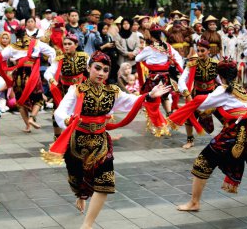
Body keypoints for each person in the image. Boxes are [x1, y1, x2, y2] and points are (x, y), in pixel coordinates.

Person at [43, 51, 170, 229]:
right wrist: (67, 121)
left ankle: (87, 225)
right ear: (88, 68)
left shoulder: (113, 92)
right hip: (78, 141)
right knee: (77, 179)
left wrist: (149, 96)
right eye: (97, 68)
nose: (101, 73)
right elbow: (60, 112)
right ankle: (81, 194)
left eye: (105, 70)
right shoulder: (77, 89)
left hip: (101, 141)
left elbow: (132, 101)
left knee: (105, 182)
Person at [168, 59, 247, 211]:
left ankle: (194, 203)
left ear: (220, 75)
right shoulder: (241, 88)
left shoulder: (223, 90)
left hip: (236, 132)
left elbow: (203, 104)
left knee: (203, 161)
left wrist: (189, 100)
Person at [0, 27, 56, 133]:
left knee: (20, 102)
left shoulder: (12, 47)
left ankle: (27, 126)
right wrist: (51, 65)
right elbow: (52, 51)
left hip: (18, 76)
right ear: (26, 33)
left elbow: (0, 57)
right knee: (38, 99)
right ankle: (32, 118)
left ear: (16, 36)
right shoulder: (36, 43)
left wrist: (7, 65)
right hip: (32, 75)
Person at [135, 24, 183, 136]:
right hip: (165, 76)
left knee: (152, 100)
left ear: (151, 37)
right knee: (165, 97)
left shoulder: (149, 48)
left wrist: (147, 59)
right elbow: (177, 58)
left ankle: (156, 125)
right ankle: (170, 118)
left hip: (154, 78)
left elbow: (138, 58)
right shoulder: (168, 47)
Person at [44, 33, 88, 140]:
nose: (66, 46)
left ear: (76, 45)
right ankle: (57, 138)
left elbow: (93, 68)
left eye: (69, 44)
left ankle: (81, 135)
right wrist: (51, 80)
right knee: (57, 113)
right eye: (65, 44)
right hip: (64, 90)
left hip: (80, 89)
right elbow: (48, 72)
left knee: (82, 112)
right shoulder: (60, 59)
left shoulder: (84, 57)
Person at [178, 40, 221, 149]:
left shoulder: (215, 64)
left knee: (224, 115)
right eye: (198, 51)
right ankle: (190, 140)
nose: (200, 53)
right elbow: (182, 79)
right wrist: (186, 93)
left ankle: (227, 138)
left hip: (212, 95)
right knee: (189, 116)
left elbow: (220, 80)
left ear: (209, 51)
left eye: (203, 51)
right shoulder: (192, 63)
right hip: (197, 94)